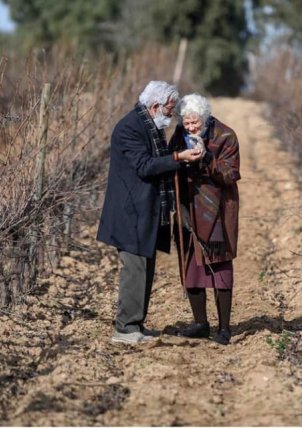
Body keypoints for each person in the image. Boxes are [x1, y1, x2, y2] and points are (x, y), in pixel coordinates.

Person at [97, 81, 203, 345]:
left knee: (145, 269)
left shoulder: (149, 125)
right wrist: (178, 158)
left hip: (146, 212)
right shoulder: (129, 128)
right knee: (134, 271)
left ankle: (136, 325)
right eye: (169, 109)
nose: (171, 115)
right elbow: (144, 166)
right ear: (155, 106)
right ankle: (125, 329)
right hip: (130, 213)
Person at [170, 94, 240, 345]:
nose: (189, 128)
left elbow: (231, 174)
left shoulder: (226, 135)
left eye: (194, 123)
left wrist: (208, 159)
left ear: (205, 118)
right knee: (189, 264)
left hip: (217, 209)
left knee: (219, 265)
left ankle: (224, 328)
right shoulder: (179, 135)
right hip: (187, 207)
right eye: (186, 123)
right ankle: (200, 323)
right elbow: (172, 163)